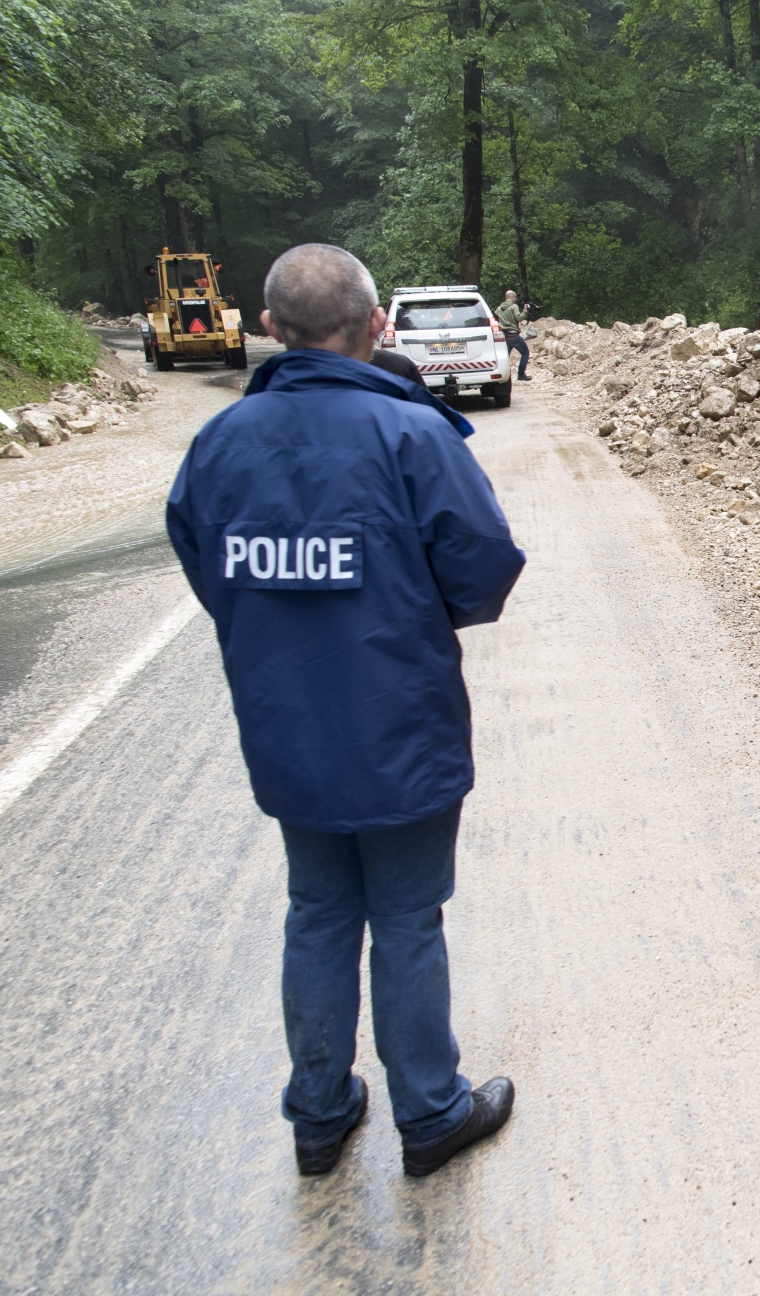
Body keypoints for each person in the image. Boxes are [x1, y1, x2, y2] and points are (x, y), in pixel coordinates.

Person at [165, 243, 526, 1179]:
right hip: (400, 721)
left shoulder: (220, 444)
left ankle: (320, 1116)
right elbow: (485, 567)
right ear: (376, 327)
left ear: (271, 330)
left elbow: (206, 563)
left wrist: (274, 628)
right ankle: (430, 1113)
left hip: (287, 725)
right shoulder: (412, 437)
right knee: (406, 916)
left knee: (319, 909)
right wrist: (408, 608)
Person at [494, 289, 531, 382]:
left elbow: (496, 319)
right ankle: (521, 374)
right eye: (515, 297)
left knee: (505, 357)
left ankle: (502, 374)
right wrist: (525, 310)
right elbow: (519, 318)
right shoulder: (514, 306)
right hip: (513, 335)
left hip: (504, 336)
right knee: (525, 352)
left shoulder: (499, 308)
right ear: (513, 297)